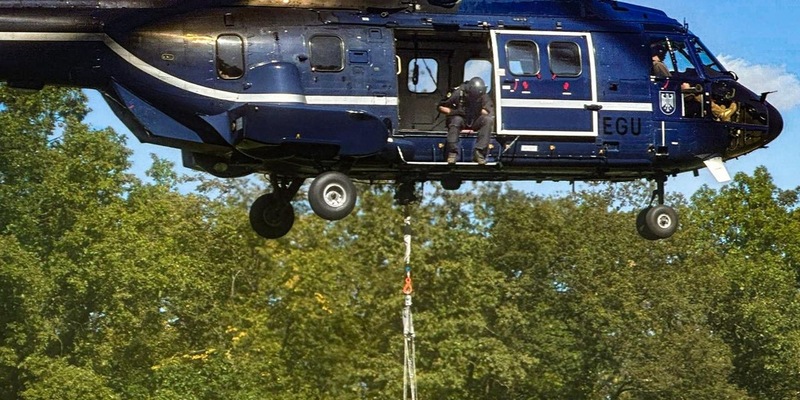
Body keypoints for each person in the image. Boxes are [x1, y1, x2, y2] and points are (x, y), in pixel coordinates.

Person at [437, 76, 495, 165]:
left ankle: (479, 152)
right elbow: (441, 107)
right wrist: (454, 112)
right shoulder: (458, 92)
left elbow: (488, 111)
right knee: (456, 120)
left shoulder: (482, 94)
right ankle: (453, 153)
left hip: (475, 119)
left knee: (488, 120)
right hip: (460, 119)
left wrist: (477, 110)